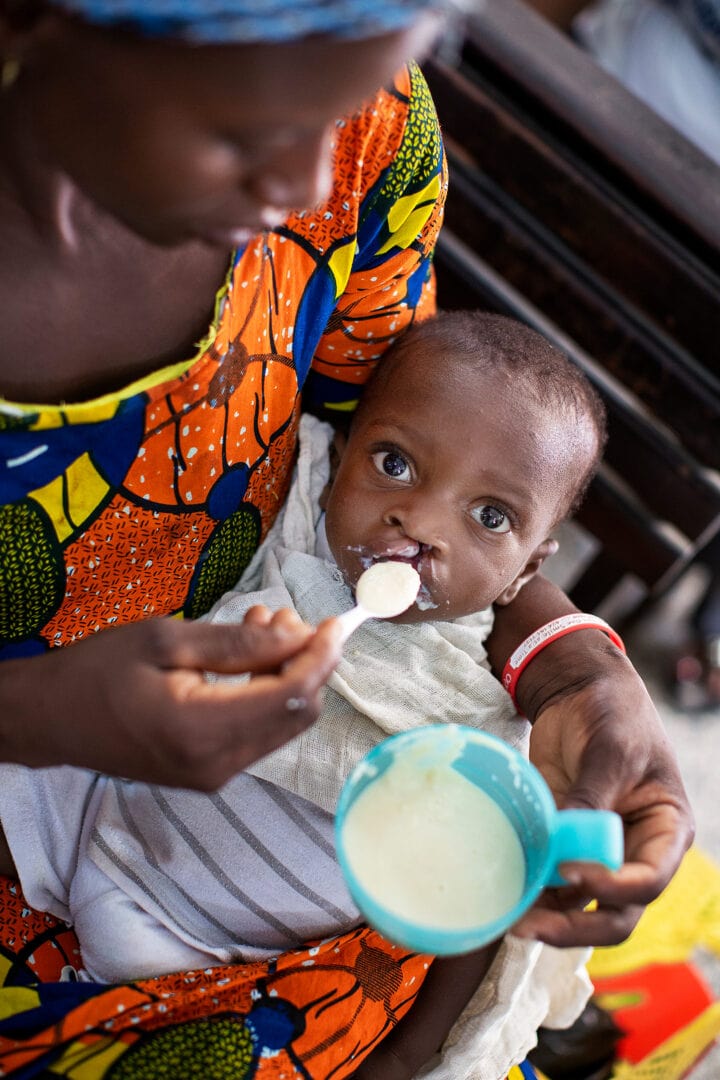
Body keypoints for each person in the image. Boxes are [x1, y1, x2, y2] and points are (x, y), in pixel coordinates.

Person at [0, 1, 693, 1077]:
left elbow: (432, 457)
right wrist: (44, 718)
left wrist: (574, 671)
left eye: (341, 114)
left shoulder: (368, 141)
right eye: (246, 128)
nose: (309, 189)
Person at [0, 311, 610, 1079]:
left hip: (195, 942)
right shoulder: (302, 512)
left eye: (490, 517)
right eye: (394, 463)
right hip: (94, 800)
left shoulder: (478, 703)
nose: (418, 522)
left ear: (528, 570)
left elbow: (484, 906)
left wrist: (412, 1053)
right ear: (344, 449)